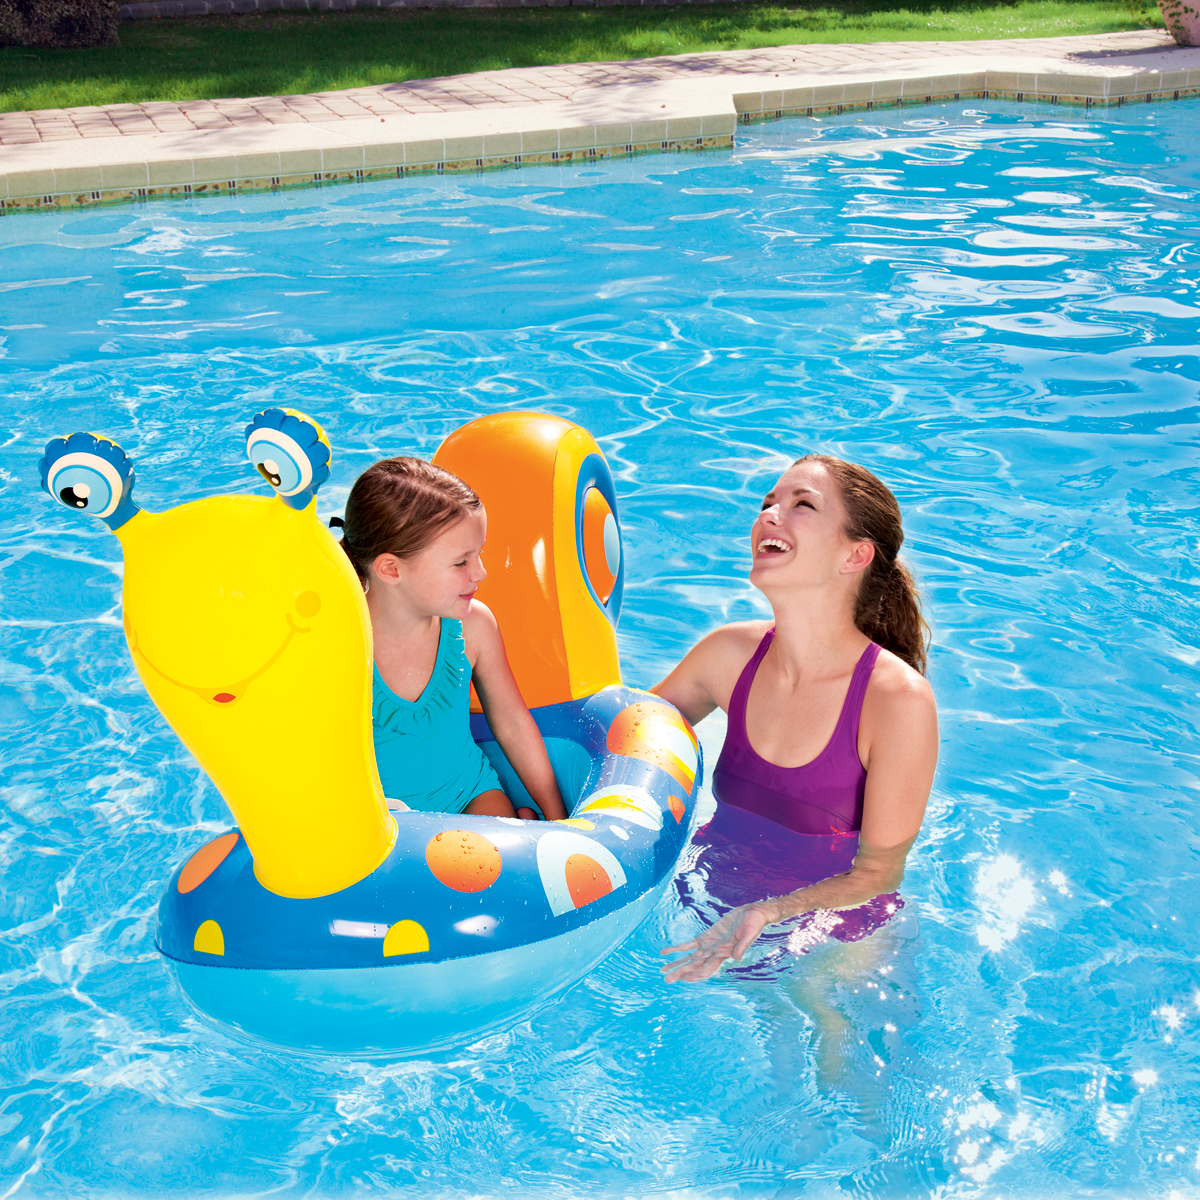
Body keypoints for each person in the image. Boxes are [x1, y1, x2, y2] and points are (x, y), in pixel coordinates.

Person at [653, 454, 938, 982]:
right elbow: (627, 735)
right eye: (767, 503)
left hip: (832, 935)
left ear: (855, 555)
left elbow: (878, 873)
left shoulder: (896, 700)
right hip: (712, 902)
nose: (768, 514)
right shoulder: (727, 655)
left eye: (801, 504)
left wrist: (772, 912)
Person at [336, 457, 567, 821]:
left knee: (497, 846)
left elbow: (511, 722)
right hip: (378, 821)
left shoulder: (473, 627)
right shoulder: (338, 645)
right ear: (391, 569)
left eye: (479, 554)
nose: (481, 572)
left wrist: (558, 817)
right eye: (462, 562)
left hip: (467, 796)